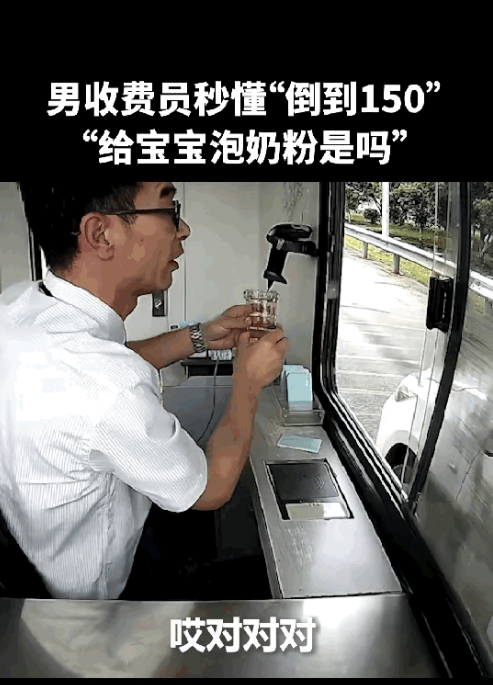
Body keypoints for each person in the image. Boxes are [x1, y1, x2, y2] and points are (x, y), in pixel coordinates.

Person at [0, 182, 289, 601]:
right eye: (170, 210)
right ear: (101, 233)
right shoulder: (108, 384)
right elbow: (210, 489)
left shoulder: (18, 306)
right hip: (96, 610)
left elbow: (104, 364)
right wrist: (248, 382)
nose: (184, 229)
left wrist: (200, 336)